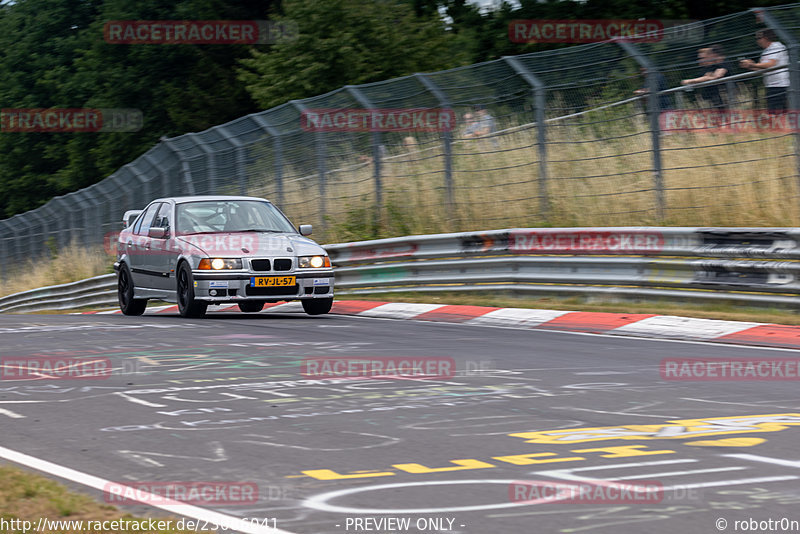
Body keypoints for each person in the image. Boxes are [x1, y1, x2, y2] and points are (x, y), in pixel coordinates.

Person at [740, 29, 789, 113]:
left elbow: (770, 64)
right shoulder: (765, 51)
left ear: (766, 38)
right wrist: (749, 65)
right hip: (771, 86)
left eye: (759, 38)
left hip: (781, 86)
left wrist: (753, 64)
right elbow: (760, 68)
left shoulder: (776, 47)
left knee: (781, 113)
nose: (757, 41)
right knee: (773, 114)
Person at [681, 45, 730, 110]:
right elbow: (706, 78)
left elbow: (716, 76)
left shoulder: (722, 63)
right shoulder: (706, 69)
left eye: (702, 58)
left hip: (723, 97)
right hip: (710, 99)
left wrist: (691, 80)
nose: (699, 61)